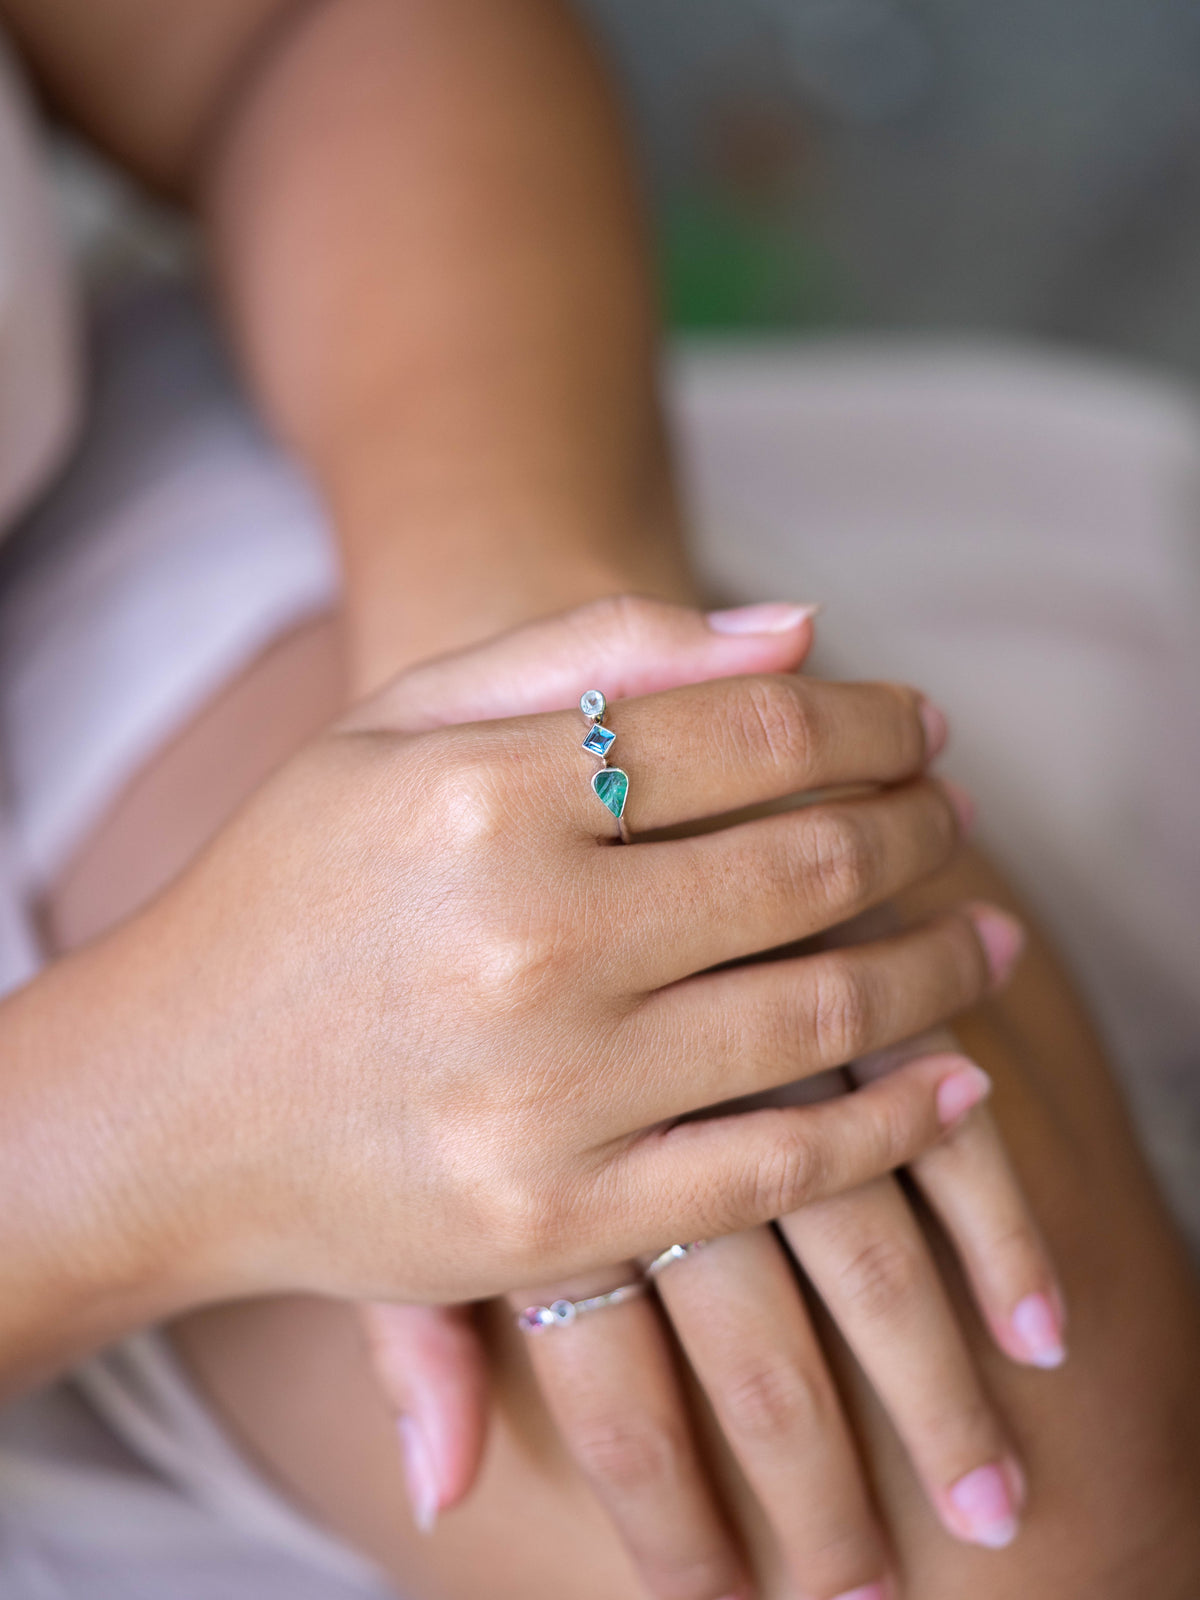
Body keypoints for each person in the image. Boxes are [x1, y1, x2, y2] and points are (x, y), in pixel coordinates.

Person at [0, 3, 1196, 1600]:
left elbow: (296, 30)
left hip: (94, 574)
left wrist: (525, 699)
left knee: (956, 1446)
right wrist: (141, 1130)